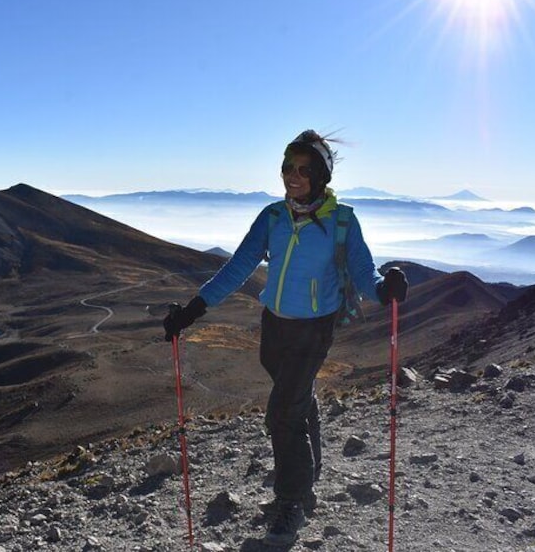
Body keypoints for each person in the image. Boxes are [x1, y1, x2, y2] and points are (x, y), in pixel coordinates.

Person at [163, 129, 408, 546]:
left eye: (303, 170)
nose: (292, 176)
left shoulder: (342, 221)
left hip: (315, 327)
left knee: (281, 413)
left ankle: (293, 499)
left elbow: (365, 272)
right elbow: (238, 266)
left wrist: (386, 288)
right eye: (287, 167)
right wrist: (193, 309)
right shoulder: (272, 217)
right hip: (274, 324)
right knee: (294, 398)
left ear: (321, 176)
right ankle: (309, 467)